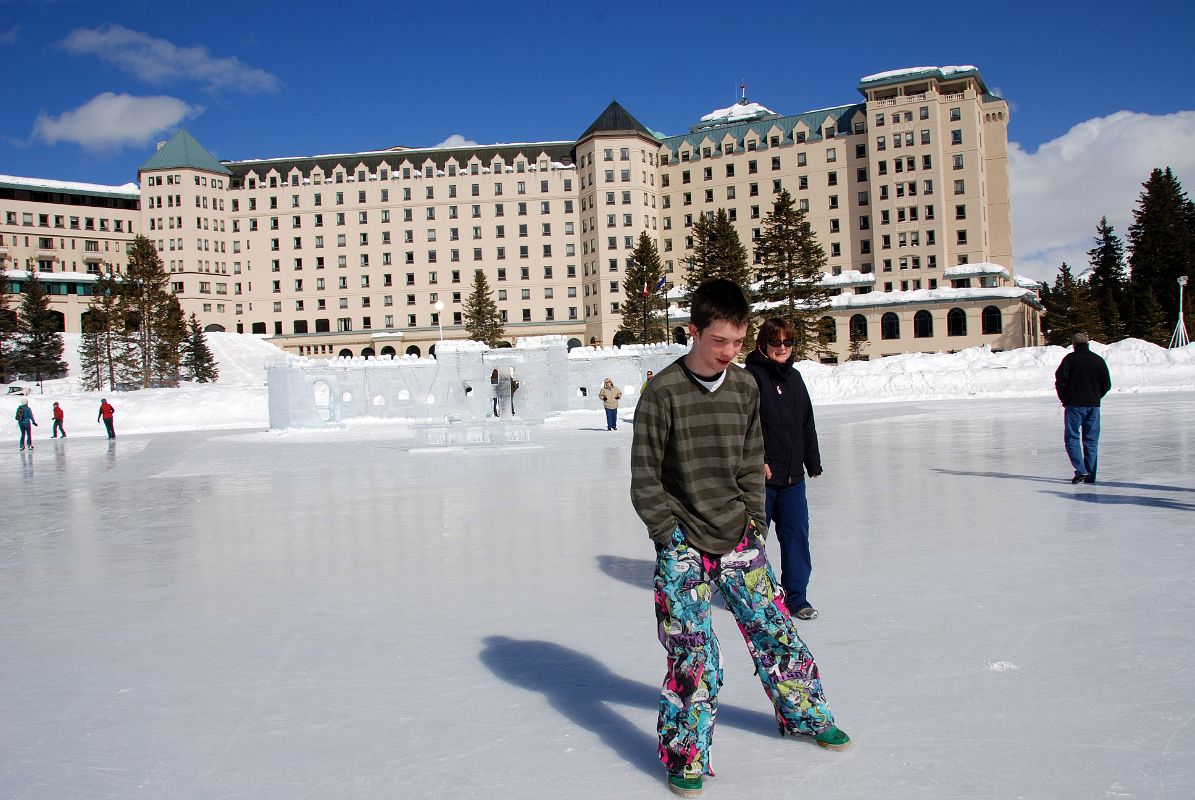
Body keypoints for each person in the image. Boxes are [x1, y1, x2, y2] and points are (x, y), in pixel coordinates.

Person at [631, 278, 848, 798]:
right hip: (684, 542)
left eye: (737, 341)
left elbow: (754, 461)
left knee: (775, 630)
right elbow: (645, 479)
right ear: (694, 332)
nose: (729, 352)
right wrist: (669, 537)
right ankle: (686, 754)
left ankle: (804, 713)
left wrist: (755, 521)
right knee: (693, 654)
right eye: (719, 341)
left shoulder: (746, 386)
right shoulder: (662, 393)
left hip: (738, 536)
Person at [744, 317, 823, 621]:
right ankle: (757, 596)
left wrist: (812, 461)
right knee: (753, 542)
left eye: (787, 342)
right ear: (762, 344)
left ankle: (796, 597)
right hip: (760, 479)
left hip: (792, 479)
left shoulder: (796, 379)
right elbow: (746, 427)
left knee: (796, 537)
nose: (782, 348)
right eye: (775, 342)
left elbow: (806, 422)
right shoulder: (750, 378)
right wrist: (756, 459)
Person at [1055, 331, 1111, 483]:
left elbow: (1060, 381)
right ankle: (1090, 474)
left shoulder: (1069, 359)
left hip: (1074, 406)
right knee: (1091, 441)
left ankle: (1081, 470)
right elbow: (1107, 384)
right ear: (1087, 344)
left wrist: (1065, 398)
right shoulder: (1098, 360)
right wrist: (1095, 396)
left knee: (1072, 438)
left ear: (1074, 345)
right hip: (1093, 406)